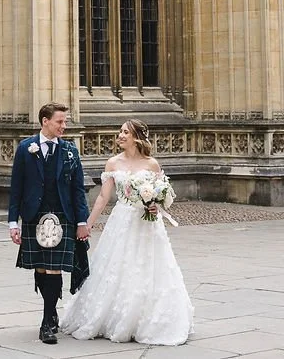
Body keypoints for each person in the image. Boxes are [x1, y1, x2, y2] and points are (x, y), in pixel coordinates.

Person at [59, 118, 194, 345]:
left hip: (147, 224)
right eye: (120, 131)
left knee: (150, 266)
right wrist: (88, 224)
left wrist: (155, 204)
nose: (120, 136)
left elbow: (164, 195)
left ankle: (150, 319)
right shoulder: (113, 163)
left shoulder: (152, 164)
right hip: (122, 220)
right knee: (117, 266)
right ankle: (112, 316)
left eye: (125, 132)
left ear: (137, 137)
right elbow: (103, 197)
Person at [8, 102, 92, 345]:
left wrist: (82, 221)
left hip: (63, 216)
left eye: (65, 122)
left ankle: (46, 323)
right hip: (34, 215)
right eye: (60, 122)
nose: (64, 126)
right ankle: (51, 310)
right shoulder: (26, 148)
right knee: (42, 268)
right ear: (45, 121)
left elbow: (78, 189)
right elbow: (17, 188)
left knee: (54, 268)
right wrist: (13, 222)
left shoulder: (69, 150)